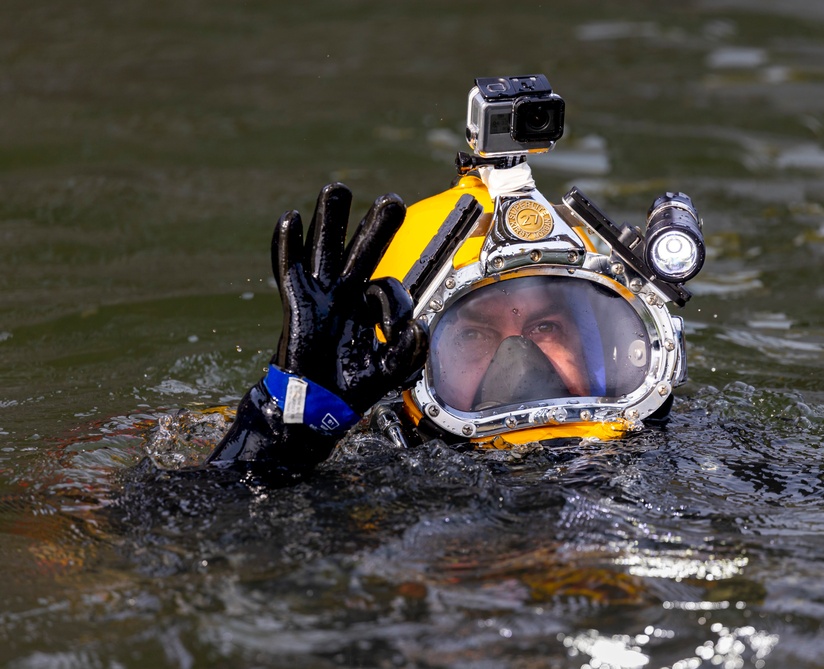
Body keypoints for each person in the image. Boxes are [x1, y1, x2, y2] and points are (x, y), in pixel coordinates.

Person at [206, 76, 702, 470]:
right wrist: (283, 435)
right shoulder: (370, 489)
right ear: (399, 369)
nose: (520, 360)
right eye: (471, 334)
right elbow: (177, 537)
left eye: (547, 326)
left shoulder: (692, 463)